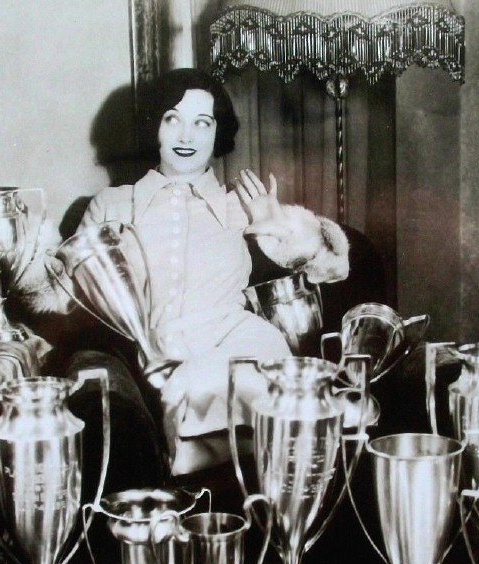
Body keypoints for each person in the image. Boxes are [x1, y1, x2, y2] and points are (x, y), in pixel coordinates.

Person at [18, 68, 349, 477]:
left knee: (256, 384)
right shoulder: (113, 204)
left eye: (202, 123)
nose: (187, 137)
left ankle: (278, 457)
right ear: (155, 125)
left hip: (239, 342)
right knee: (198, 399)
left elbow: (333, 269)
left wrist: (281, 227)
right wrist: (24, 252)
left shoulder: (242, 204)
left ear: (217, 132)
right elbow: (65, 296)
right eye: (173, 119)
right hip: (156, 351)